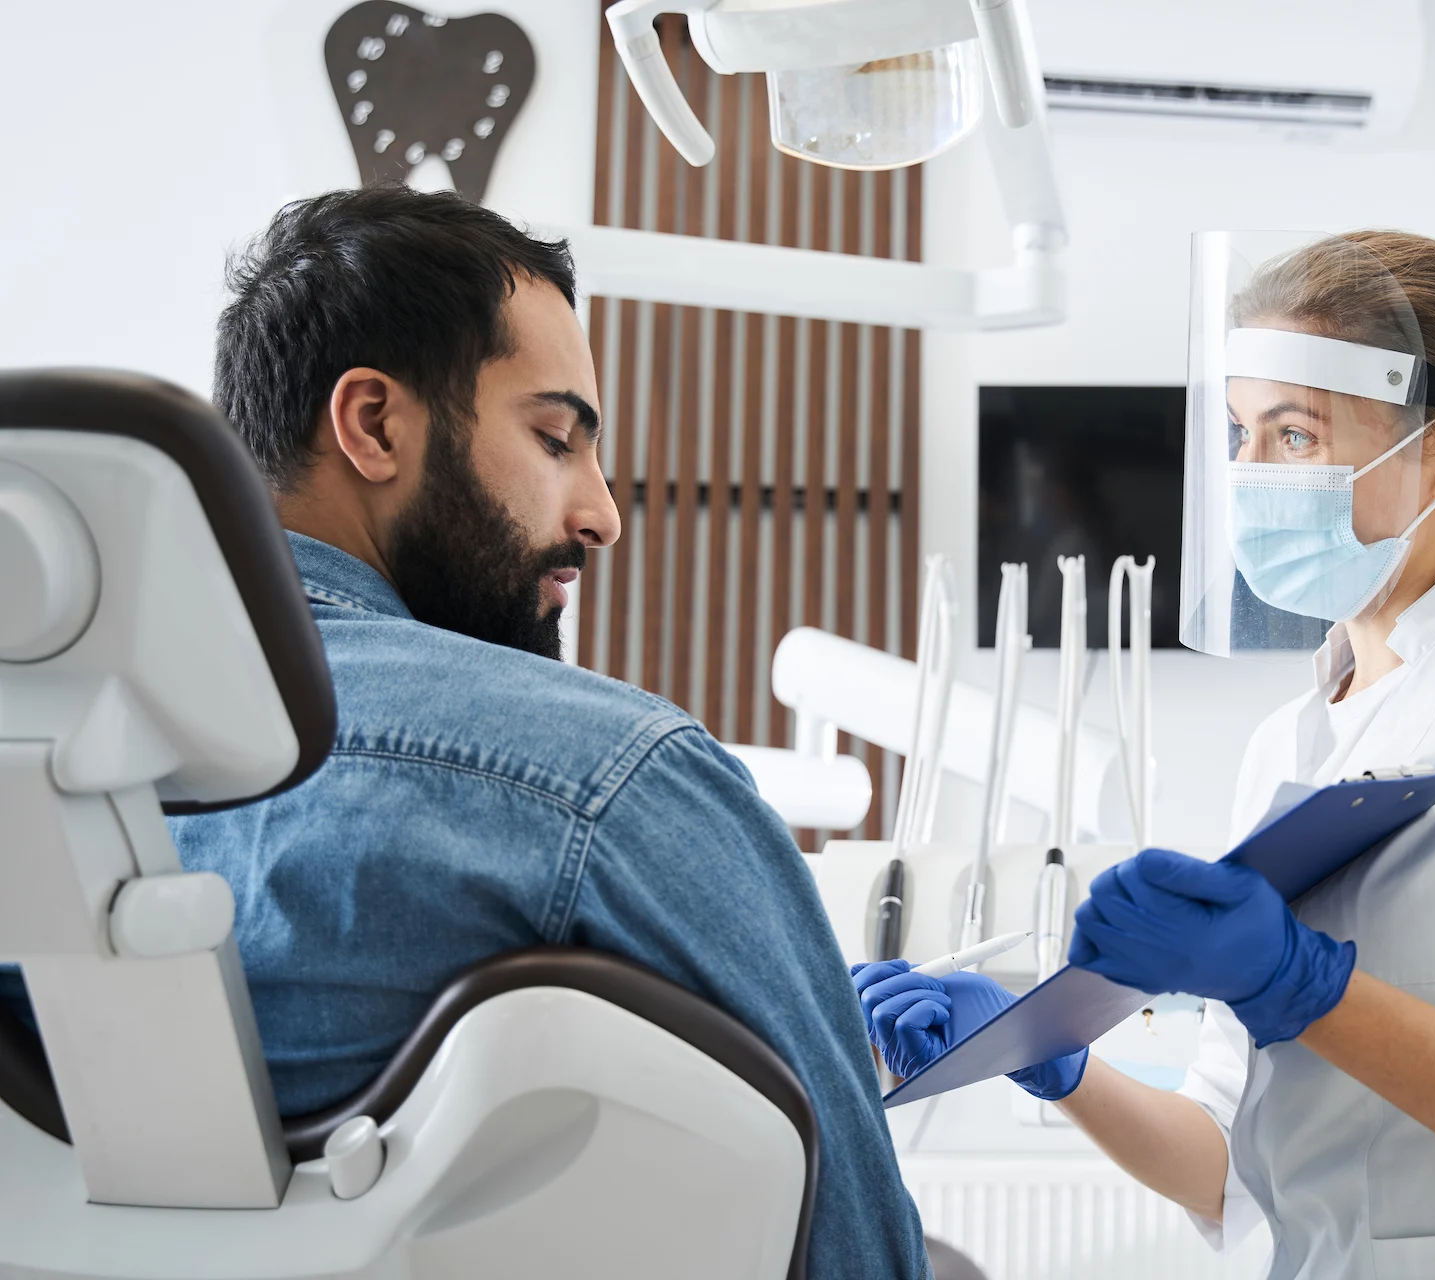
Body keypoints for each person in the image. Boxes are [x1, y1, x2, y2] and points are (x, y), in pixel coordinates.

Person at [23, 186, 929, 1277]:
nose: (603, 513)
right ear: (373, 424)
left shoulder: (36, 797)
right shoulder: (611, 783)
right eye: (556, 437)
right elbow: (858, 1239)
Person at [853, 230, 1435, 1278]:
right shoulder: (1294, 735)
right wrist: (1052, 1061)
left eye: (1293, 435)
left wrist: (1308, 989)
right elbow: (1227, 1164)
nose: (1246, 476)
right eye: (1239, 434)